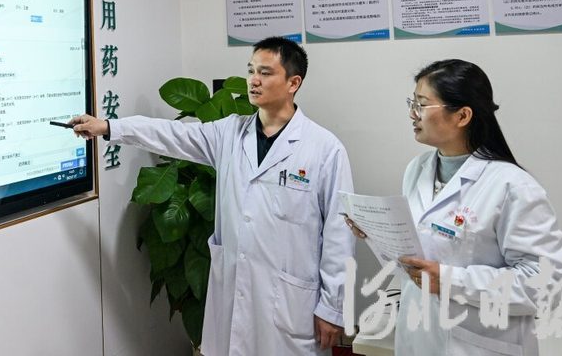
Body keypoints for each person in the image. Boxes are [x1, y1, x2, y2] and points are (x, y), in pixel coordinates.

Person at [71, 37, 354, 356]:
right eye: (251, 70)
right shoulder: (229, 133)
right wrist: (109, 127)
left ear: (293, 83)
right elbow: (171, 134)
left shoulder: (324, 149)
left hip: (291, 300)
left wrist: (332, 308)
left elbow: (339, 233)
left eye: (265, 73)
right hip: (236, 291)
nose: (254, 80)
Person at [347, 59, 562, 355]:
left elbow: (544, 284)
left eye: (421, 105)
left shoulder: (512, 186)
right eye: (412, 103)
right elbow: (420, 256)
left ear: (462, 115)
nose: (412, 114)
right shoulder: (417, 169)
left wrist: (452, 281)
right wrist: (376, 235)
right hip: (419, 336)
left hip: (478, 345)